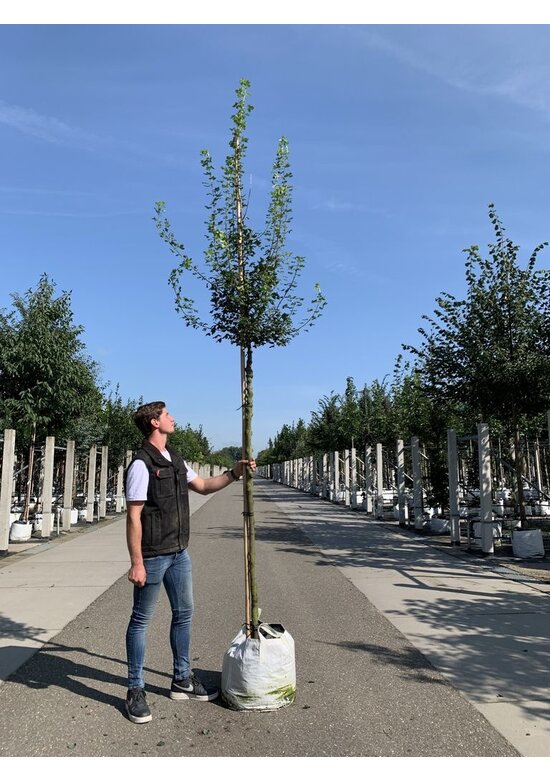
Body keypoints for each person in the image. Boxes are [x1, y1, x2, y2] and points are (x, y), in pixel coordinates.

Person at [123, 401, 255, 724]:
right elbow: (134, 516)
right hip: (153, 556)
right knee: (141, 620)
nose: (173, 418)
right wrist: (136, 562)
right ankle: (135, 689)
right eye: (167, 414)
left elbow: (204, 486)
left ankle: (181, 678)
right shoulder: (142, 464)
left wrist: (234, 474)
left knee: (184, 613)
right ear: (155, 423)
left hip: (180, 553)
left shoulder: (176, 460)